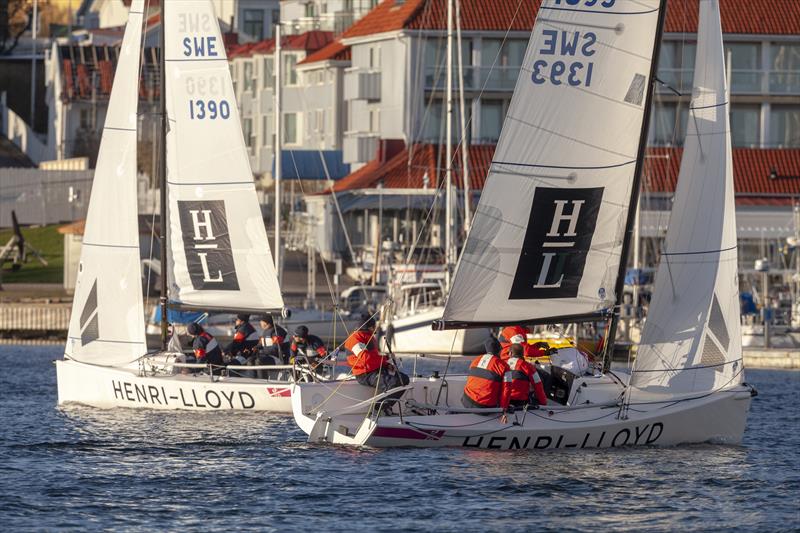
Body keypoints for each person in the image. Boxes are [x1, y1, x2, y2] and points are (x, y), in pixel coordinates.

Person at [344, 317, 410, 414]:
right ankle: (380, 408)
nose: (375, 329)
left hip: (375, 370)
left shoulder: (369, 337)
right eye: (374, 327)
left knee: (404, 379)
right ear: (369, 327)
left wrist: (386, 365)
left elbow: (374, 357)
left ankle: (386, 407)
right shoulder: (355, 339)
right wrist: (386, 358)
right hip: (365, 374)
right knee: (395, 383)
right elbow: (366, 359)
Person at [462, 339, 511, 421]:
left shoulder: (475, 360)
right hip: (485, 408)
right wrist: (503, 411)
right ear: (500, 350)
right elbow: (507, 390)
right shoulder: (504, 366)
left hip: (466, 402)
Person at [507, 343, 548, 408]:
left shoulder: (503, 364)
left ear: (510, 353)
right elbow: (538, 386)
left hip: (503, 401)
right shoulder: (529, 367)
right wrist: (544, 403)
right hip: (520, 403)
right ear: (522, 354)